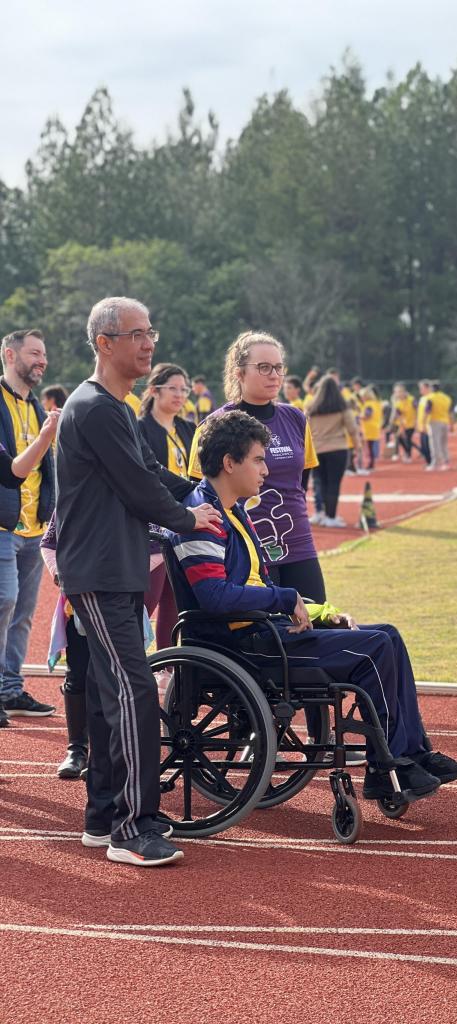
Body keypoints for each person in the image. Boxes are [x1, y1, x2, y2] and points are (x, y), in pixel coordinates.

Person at [168, 409, 457, 800]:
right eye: (258, 459)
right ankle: (389, 765)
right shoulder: (204, 517)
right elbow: (214, 596)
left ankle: (411, 753)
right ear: (229, 463)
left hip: (262, 630)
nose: (266, 470)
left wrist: (323, 613)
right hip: (245, 645)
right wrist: (284, 597)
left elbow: (258, 586)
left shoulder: (233, 511)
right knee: (375, 649)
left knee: (388, 635)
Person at [55, 295, 222, 867]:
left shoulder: (114, 408)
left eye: (151, 331)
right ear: (104, 343)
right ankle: (133, 826)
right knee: (134, 689)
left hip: (114, 567)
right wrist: (188, 516)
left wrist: (197, 489)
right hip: (100, 571)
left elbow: (150, 473)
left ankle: (104, 818)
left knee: (112, 697)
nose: (149, 342)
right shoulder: (96, 407)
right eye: (136, 334)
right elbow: (137, 485)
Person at [188, 330, 325, 603]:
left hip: (298, 542)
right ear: (239, 373)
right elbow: (199, 491)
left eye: (278, 367)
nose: (274, 374)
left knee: (317, 622)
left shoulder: (296, 418)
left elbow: (301, 482)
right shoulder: (215, 426)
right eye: (263, 367)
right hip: (246, 548)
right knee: (267, 634)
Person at [0, 330, 61, 725]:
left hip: (33, 528)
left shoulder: (37, 406)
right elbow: (11, 472)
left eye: (44, 354)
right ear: (9, 355)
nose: (42, 360)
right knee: (3, 602)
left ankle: (9, 691)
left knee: (22, 612)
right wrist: (44, 439)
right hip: (3, 526)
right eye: (34, 353)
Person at [137, 363, 196, 649]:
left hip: (185, 521)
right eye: (172, 388)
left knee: (175, 600)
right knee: (149, 599)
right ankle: (130, 662)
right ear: (153, 390)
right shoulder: (140, 428)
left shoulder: (188, 429)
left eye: (184, 389)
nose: (179, 394)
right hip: (154, 524)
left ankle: (166, 666)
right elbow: (147, 474)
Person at [305, 374, 360, 528]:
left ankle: (319, 513)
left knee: (318, 482)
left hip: (317, 449)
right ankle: (331, 516)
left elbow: (305, 429)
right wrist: (357, 447)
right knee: (333, 484)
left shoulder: (311, 407)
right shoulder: (342, 406)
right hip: (337, 449)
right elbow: (352, 429)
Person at [425, 381, 453, 471]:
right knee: (443, 443)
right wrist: (452, 423)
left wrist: (423, 422)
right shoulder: (446, 398)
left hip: (434, 421)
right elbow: (450, 411)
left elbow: (427, 410)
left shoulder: (430, 398)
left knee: (435, 443)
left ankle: (435, 462)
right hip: (445, 421)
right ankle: (446, 461)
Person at [390, 382, 416, 463]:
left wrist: (417, 421)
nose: (398, 394)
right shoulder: (397, 402)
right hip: (400, 424)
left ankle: (408, 455)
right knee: (399, 438)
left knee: (408, 439)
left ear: (404, 391)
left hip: (411, 423)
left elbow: (417, 409)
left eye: (400, 391)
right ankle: (406, 452)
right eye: (396, 392)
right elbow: (397, 414)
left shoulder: (412, 399)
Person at [360, 385, 384, 471]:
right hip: (375, 426)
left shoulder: (368, 404)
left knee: (369, 448)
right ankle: (371, 463)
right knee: (371, 447)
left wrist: (359, 416)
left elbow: (367, 415)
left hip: (369, 428)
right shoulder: (377, 403)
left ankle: (371, 464)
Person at [416, 380, 432, 467]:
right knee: (423, 445)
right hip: (421, 425)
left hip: (427, 425)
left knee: (428, 445)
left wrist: (425, 424)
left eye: (421, 388)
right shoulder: (422, 399)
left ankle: (431, 462)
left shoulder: (430, 398)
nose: (420, 390)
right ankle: (428, 462)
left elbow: (428, 411)